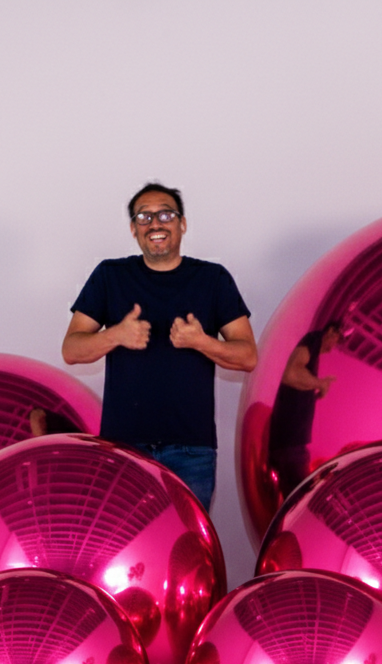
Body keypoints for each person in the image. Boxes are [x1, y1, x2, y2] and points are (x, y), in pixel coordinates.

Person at [62, 183, 257, 509]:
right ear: (133, 229)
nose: (155, 223)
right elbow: (72, 350)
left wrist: (201, 341)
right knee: (126, 546)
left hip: (191, 450)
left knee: (188, 551)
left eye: (166, 214)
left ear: (182, 224)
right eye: (144, 216)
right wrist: (115, 335)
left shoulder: (212, 279)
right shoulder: (110, 276)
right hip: (123, 447)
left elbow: (248, 356)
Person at [267, 321, 342, 497]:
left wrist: (313, 394)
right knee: (300, 503)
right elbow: (290, 374)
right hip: (291, 446)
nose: (334, 347)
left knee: (294, 501)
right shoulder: (314, 340)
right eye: (336, 340)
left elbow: (295, 387)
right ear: (331, 332)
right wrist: (320, 383)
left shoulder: (313, 353)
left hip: (290, 444)